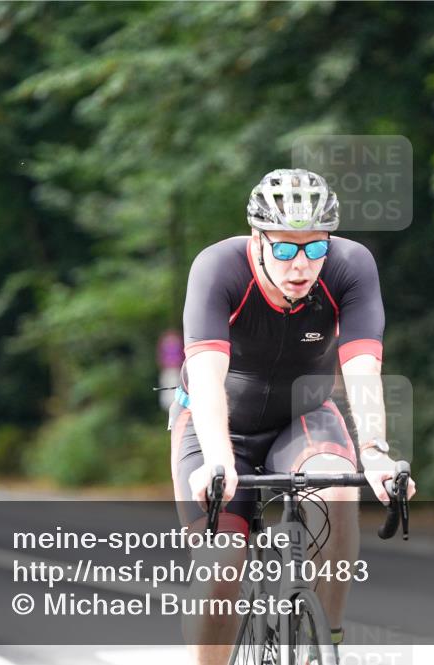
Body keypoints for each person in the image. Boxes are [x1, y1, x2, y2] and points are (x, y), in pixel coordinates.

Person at [169, 169, 416, 665]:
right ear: (258, 241)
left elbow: (363, 370)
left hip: (302, 418)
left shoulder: (351, 267)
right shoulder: (218, 268)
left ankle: (327, 641)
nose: (300, 265)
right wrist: (218, 460)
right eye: (284, 249)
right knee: (220, 565)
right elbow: (208, 378)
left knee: (336, 487)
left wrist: (375, 453)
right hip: (217, 426)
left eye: (314, 248)